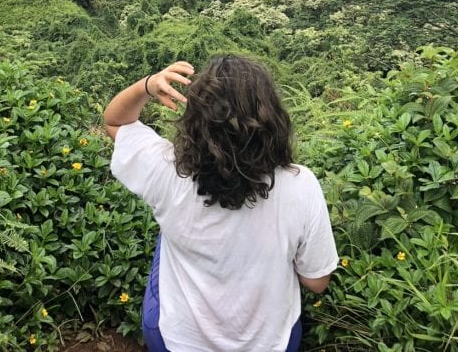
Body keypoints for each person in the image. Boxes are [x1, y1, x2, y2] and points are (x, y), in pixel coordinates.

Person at [104, 55, 338, 352]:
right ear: (273, 120)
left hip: (176, 340)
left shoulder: (166, 169)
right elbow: (316, 282)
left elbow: (114, 120)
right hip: (271, 343)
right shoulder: (301, 184)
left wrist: (148, 85)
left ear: (194, 122)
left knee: (167, 238)